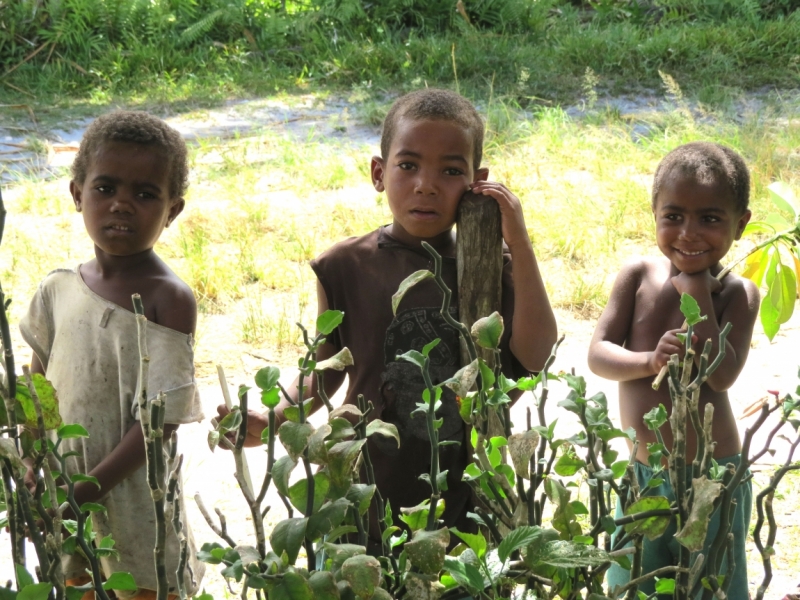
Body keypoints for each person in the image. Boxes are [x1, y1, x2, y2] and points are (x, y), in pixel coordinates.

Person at [224, 88, 557, 551]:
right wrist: (275, 415)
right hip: (364, 486)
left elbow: (535, 355)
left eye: (451, 170)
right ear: (379, 173)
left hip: (464, 492)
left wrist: (519, 243)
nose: (427, 184)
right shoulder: (345, 266)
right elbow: (327, 369)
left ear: (477, 182)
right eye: (408, 165)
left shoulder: (488, 264)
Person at [20, 111, 205, 599]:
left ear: (173, 210)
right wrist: (31, 462)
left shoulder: (169, 299)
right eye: (105, 188)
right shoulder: (57, 290)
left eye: (145, 194)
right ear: (77, 192)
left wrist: (85, 492)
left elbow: (158, 423)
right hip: (65, 492)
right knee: (77, 586)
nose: (122, 204)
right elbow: (36, 396)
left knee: (141, 588)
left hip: (133, 501)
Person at [587, 142, 759, 598]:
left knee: (711, 584)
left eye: (710, 219)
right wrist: (649, 361)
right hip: (645, 472)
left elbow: (721, 377)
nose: (689, 233)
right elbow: (598, 354)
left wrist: (698, 293)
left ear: (740, 224)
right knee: (636, 581)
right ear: (654, 213)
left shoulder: (739, 295)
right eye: (674, 216)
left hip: (713, 476)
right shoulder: (638, 276)